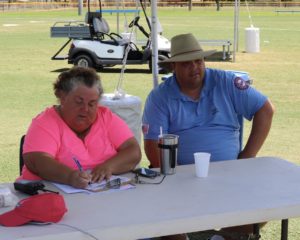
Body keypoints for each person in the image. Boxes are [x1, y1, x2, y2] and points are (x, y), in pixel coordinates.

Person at [142, 33, 274, 240]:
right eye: (186, 63)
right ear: (173, 66)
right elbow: (152, 145)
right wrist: (172, 179)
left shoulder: (227, 82)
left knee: (268, 202)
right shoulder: (160, 96)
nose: (194, 67)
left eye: (198, 60)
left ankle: (220, 236)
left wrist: (247, 157)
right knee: (162, 213)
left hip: (230, 172)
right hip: (181, 176)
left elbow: (265, 110)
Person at [20, 67, 141, 189]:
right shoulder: (45, 122)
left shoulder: (106, 118)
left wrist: (108, 167)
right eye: (79, 102)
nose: (85, 109)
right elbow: (37, 161)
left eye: (92, 103)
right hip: (47, 196)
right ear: (62, 98)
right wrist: (70, 177)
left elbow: (133, 151)